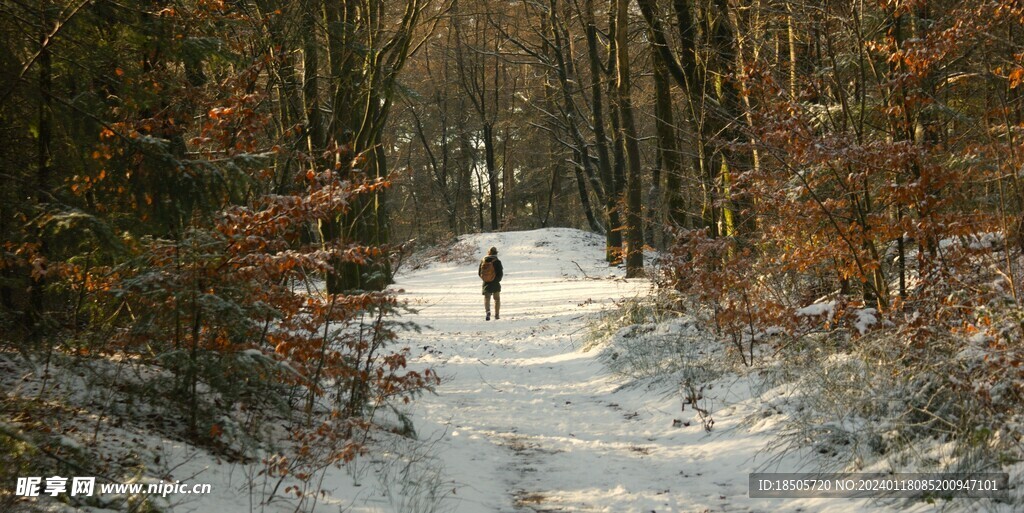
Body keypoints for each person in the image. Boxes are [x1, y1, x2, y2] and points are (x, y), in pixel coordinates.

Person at [478, 246, 503, 321]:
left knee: (487, 298)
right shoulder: (497, 261)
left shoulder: (483, 260)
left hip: (486, 283)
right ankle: (497, 315)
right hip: (495, 283)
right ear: (496, 253)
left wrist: (485, 279)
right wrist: (497, 280)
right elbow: (500, 273)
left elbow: (479, 273)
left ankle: (488, 311)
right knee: (497, 299)